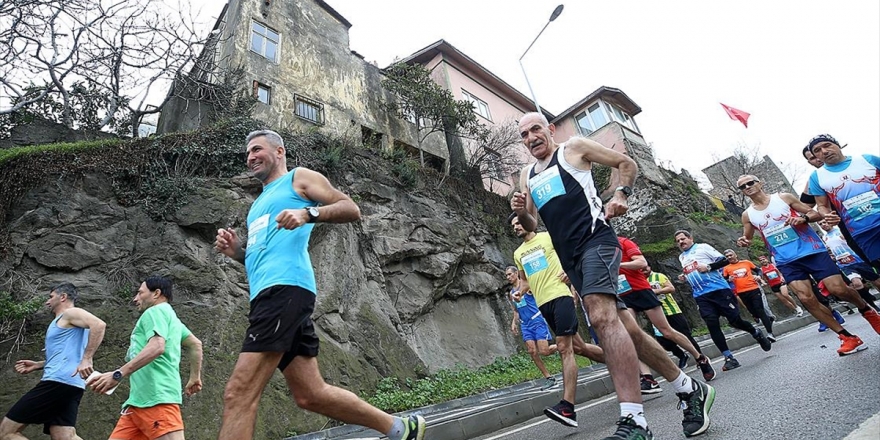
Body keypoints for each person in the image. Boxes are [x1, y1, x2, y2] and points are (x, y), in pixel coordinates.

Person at [511, 113, 715, 439]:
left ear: (549, 130)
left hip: (597, 241)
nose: (531, 137)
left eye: (536, 129)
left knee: (601, 317)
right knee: (629, 331)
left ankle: (634, 421)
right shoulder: (527, 174)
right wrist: (521, 208)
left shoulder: (573, 149)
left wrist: (621, 195)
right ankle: (689, 388)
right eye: (524, 134)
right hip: (571, 259)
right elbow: (533, 222)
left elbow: (626, 163)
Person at [213, 130, 425, 440]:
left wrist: (307, 212)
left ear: (279, 151)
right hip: (270, 296)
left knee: (238, 393)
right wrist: (237, 253)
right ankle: (400, 428)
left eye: (257, 149)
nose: (250, 157)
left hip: (284, 292)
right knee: (310, 394)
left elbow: (350, 208)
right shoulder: (257, 205)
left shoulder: (299, 179)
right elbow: (260, 258)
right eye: (247, 153)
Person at [735, 174, 880, 355]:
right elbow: (747, 237)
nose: (748, 187)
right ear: (741, 191)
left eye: (751, 182)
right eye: (743, 186)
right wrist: (744, 241)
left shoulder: (783, 198)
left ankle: (867, 310)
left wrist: (803, 218)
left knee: (838, 289)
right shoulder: (747, 214)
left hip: (812, 251)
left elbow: (815, 213)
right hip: (786, 260)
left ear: (760, 183)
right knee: (806, 299)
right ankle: (847, 337)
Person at [88, 276, 203, 440]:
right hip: (137, 404)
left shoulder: (155, 311)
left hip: (157, 399)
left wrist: (118, 374)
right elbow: (195, 344)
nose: (135, 298)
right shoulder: (172, 319)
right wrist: (194, 377)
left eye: (140, 293)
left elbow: (157, 346)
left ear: (156, 293)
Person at [1, 283, 106, 440]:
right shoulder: (64, 321)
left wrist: (87, 359)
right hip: (71, 383)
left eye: (50, 297)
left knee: (6, 431)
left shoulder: (70, 313)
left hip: (57, 382)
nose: (47, 302)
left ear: (62, 297)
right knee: (63, 436)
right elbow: (65, 353)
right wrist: (39, 365)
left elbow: (99, 325)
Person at [616, 236, 716, 387]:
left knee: (666, 331)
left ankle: (700, 357)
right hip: (623, 294)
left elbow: (641, 263)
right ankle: (648, 378)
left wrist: (619, 264)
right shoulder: (596, 250)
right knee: (632, 335)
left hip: (641, 290)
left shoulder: (623, 242)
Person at [675, 230, 772, 372]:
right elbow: (691, 270)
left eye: (683, 239)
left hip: (719, 291)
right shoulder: (682, 257)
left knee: (735, 321)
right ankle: (729, 357)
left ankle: (755, 332)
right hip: (701, 296)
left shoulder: (702, 247)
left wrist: (708, 267)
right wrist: (684, 275)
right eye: (678, 241)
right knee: (712, 324)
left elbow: (724, 261)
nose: (680, 242)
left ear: (690, 238)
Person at [804, 135, 880, 270]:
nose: (824, 151)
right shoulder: (816, 177)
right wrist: (827, 215)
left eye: (827, 145)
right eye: (817, 150)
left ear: (837, 145)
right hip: (862, 232)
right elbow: (821, 205)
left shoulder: (866, 159)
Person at [504, 265, 559, 391]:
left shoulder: (526, 286)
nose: (508, 277)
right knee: (532, 351)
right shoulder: (511, 294)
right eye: (506, 275)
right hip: (525, 324)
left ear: (516, 273)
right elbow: (516, 311)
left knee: (544, 351)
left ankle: (564, 346)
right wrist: (514, 323)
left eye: (510, 274)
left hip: (537, 320)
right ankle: (549, 377)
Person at [643, 265, 705, 371]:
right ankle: (682, 355)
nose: (643, 270)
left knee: (686, 336)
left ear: (649, 267)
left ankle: (700, 357)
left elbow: (671, 288)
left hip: (672, 311)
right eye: (640, 269)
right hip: (655, 314)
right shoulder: (639, 281)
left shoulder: (659, 276)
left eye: (645, 268)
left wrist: (655, 291)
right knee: (663, 342)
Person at [819, 221, 880, 311]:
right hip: (845, 265)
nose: (823, 225)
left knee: (877, 282)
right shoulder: (824, 238)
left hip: (858, 260)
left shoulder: (841, 231)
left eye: (825, 222)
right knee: (857, 284)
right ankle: (873, 307)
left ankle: (869, 298)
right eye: (820, 224)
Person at [721, 250, 776, 341]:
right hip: (741, 292)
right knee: (754, 313)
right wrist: (728, 280)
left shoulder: (746, 262)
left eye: (730, 255)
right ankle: (769, 319)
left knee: (760, 310)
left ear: (735, 255)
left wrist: (759, 276)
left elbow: (758, 270)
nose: (729, 257)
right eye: (727, 256)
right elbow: (724, 280)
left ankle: (770, 333)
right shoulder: (726, 268)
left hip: (754, 289)